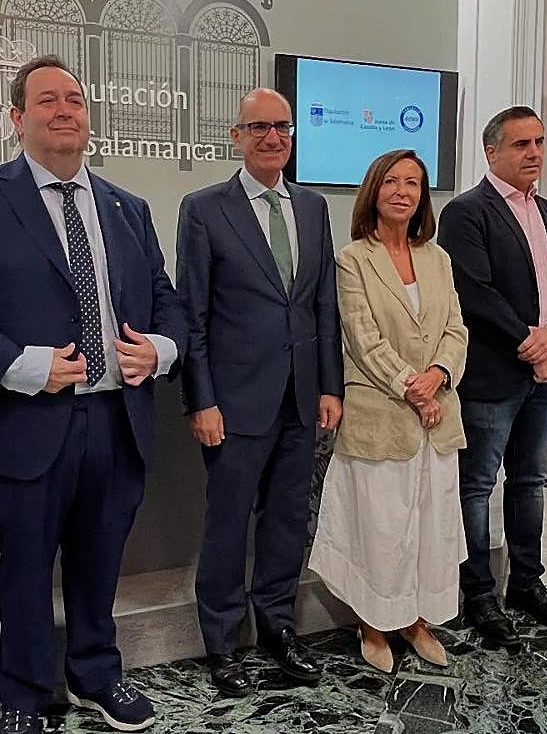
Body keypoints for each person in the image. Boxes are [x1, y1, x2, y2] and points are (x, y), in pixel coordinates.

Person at [0, 55, 186, 734]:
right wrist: (20, 363)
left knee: (100, 562)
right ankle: (23, 695)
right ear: (17, 118)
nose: (65, 109)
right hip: (23, 419)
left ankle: (96, 675)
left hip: (115, 418)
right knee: (25, 570)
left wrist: (162, 349)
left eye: (75, 98)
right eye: (47, 100)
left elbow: (164, 299)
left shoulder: (127, 208)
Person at [176, 88, 343, 697]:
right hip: (234, 403)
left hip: (303, 398)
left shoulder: (313, 206)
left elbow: (322, 304)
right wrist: (202, 399)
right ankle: (221, 641)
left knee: (286, 521)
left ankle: (278, 627)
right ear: (235, 135)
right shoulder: (204, 209)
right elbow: (191, 313)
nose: (273, 138)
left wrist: (329, 385)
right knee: (227, 525)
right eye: (259, 128)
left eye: (283, 127)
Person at [308, 149, 468, 673]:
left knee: (429, 525)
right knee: (380, 529)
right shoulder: (353, 258)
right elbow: (362, 337)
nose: (404, 191)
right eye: (393, 181)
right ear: (374, 190)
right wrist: (414, 389)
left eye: (415, 183)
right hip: (383, 414)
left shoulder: (438, 258)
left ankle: (415, 619)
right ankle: (373, 624)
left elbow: (456, 331)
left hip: (438, 416)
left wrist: (438, 378)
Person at [437, 105, 547, 651]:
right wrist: (532, 343)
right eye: (521, 144)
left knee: (530, 482)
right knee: (476, 487)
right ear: (491, 151)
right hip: (492, 376)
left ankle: (526, 583)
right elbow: (475, 293)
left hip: (545, 378)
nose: (534, 153)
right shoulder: (465, 212)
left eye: (540, 142)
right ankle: (478, 593)